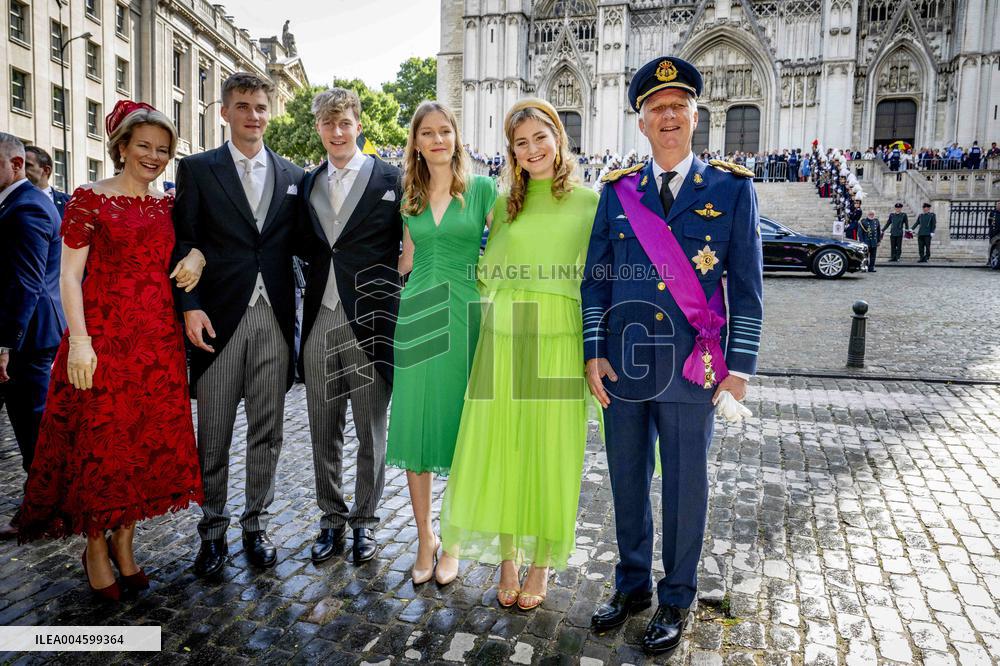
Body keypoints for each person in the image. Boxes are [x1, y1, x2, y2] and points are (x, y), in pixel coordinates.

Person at [582, 56, 763, 656]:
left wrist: (738, 369)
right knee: (627, 483)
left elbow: (748, 286)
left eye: (678, 106)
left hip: (695, 370)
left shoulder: (732, 189)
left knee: (686, 487)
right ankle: (631, 584)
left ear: (694, 116)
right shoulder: (617, 194)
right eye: (656, 108)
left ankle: (678, 595)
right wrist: (593, 353)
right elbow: (596, 281)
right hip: (627, 366)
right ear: (641, 123)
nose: (668, 116)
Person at [14, 102, 204, 599]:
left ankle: (125, 544)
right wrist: (79, 342)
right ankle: (95, 548)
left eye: (163, 150)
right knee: (102, 448)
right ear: (121, 146)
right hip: (101, 343)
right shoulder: (88, 200)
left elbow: (192, 245)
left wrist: (197, 254)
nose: (154, 156)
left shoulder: (168, 205)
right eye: (144, 146)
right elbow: (68, 276)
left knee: (139, 449)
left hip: (156, 345)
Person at [439, 98, 599, 610]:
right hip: (505, 336)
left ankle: (543, 563)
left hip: (558, 334)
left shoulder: (589, 202)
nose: (532, 150)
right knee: (505, 447)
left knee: (551, 449)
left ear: (559, 136)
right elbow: (486, 268)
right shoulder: (504, 202)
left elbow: (599, 278)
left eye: (540, 137)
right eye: (520, 143)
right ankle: (508, 558)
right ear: (512, 151)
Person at [172, 73, 305, 577]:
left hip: (273, 318)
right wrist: (190, 305)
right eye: (243, 105)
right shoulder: (198, 169)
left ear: (271, 113)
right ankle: (211, 532)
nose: (253, 115)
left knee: (267, 432)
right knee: (214, 434)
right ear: (224, 111)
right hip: (218, 319)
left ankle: (256, 526)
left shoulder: (293, 175)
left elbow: (307, 245)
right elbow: (183, 241)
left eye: (261, 107)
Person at [386, 101, 496, 584]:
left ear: (456, 136)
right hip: (418, 314)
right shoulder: (408, 196)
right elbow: (407, 258)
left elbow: (512, 243)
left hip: (467, 313)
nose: (436, 140)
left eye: (444, 131)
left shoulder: (482, 190)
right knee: (417, 424)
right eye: (426, 133)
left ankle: (453, 539)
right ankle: (424, 537)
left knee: (460, 426)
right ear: (415, 142)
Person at [298, 87, 403, 566]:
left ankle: (365, 521)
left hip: (371, 320)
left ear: (359, 124)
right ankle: (331, 519)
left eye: (345, 123)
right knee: (323, 428)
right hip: (320, 317)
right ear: (319, 128)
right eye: (328, 123)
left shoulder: (391, 178)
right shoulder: (306, 183)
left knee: (370, 429)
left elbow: (413, 242)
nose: (337, 132)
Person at [0, 134, 66, 538]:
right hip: (28, 333)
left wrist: (5, 344)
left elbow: (26, 282)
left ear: (16, 165)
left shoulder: (27, 209)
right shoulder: (19, 203)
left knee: (33, 427)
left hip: (29, 337)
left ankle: (44, 508)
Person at [23, 146, 70, 218]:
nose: (20, 169)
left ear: (46, 170)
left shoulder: (69, 202)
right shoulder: (8, 201)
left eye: (27, 165)